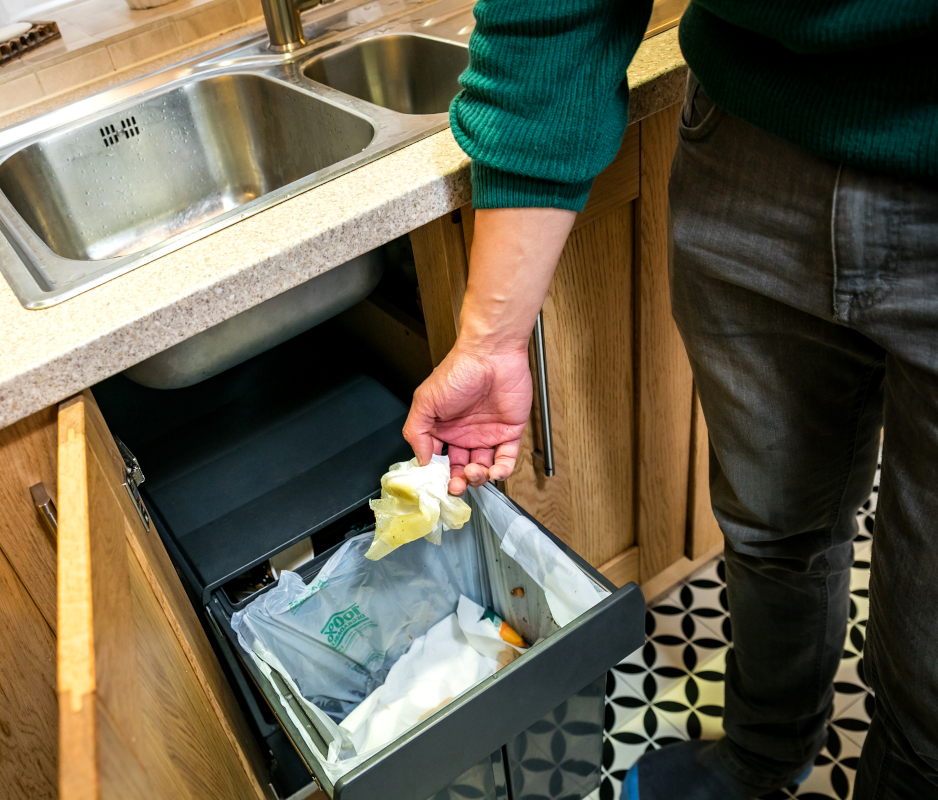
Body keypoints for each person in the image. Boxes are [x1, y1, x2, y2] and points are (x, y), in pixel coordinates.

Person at [400, 1, 938, 798]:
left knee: (928, 642)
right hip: (751, 143)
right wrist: (489, 340)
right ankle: (765, 748)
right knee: (769, 527)